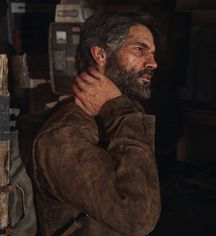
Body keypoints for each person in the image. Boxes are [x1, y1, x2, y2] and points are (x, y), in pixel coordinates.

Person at [32, 11, 161, 236]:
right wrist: (121, 113)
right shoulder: (65, 133)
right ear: (101, 54)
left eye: (152, 53)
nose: (153, 63)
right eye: (139, 49)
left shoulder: (120, 112)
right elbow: (138, 219)